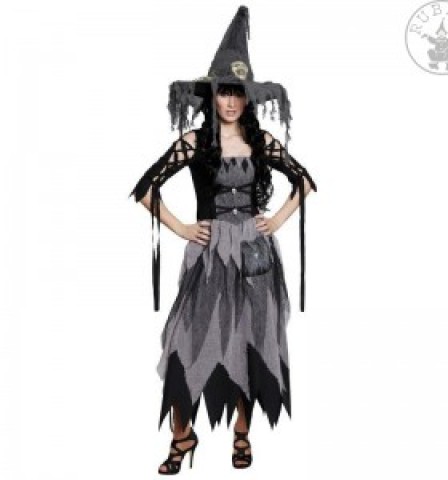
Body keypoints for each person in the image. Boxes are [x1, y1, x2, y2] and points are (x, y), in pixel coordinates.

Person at [129, 6, 317, 474]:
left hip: (255, 255)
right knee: (186, 341)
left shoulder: (263, 142)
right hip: (210, 255)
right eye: (223, 92)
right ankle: (182, 435)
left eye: (237, 93)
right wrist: (182, 228)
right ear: (212, 95)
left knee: (249, 339)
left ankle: (241, 433)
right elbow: (146, 189)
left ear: (247, 99)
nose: (230, 101)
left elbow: (304, 182)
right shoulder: (195, 142)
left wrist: (277, 220)